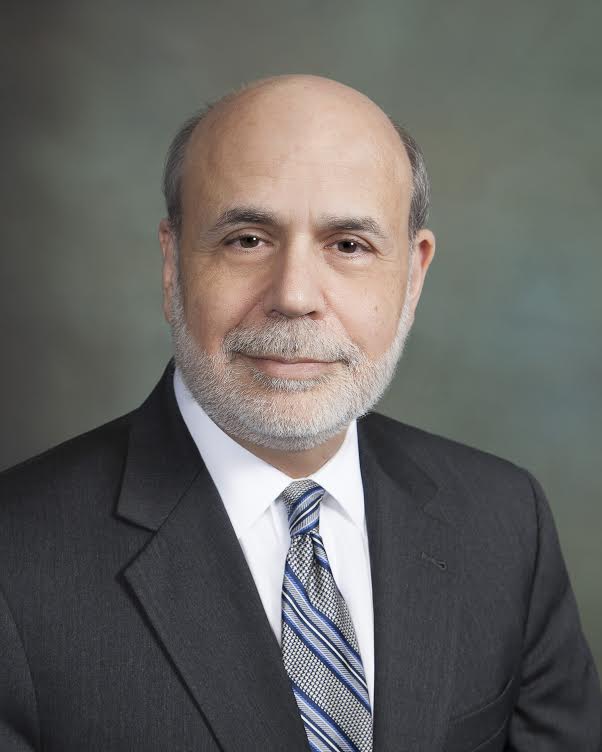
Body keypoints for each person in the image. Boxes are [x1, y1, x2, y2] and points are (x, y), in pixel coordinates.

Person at [0, 74, 600, 752]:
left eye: (348, 246)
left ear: (413, 278)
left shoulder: (505, 521)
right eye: (247, 239)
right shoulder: (16, 564)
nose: (293, 296)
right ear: (172, 266)